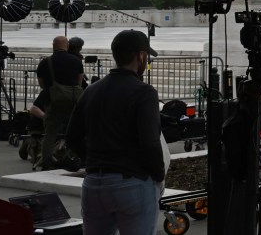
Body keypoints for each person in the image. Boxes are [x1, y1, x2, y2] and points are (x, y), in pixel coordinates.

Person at [66, 29, 164, 235]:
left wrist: (94, 161)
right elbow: (150, 142)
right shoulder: (144, 92)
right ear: (141, 56)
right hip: (132, 182)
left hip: (94, 183)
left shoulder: (91, 90)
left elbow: (72, 137)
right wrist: (158, 176)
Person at [35, 35, 84, 170]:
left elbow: (42, 84)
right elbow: (79, 82)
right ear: (66, 45)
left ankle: (46, 162)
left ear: (53, 46)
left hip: (53, 101)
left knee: (50, 133)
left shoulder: (45, 62)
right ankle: (76, 158)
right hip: (73, 101)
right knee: (76, 131)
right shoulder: (76, 60)